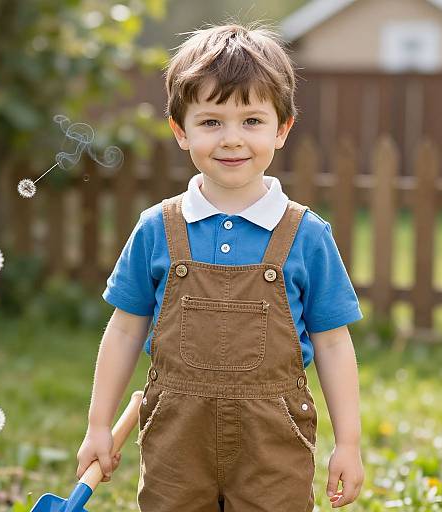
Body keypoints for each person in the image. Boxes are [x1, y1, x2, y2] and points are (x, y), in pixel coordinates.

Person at [76, 22, 365, 511]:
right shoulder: (157, 229)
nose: (232, 139)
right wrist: (98, 425)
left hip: (273, 443)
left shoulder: (306, 235)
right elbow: (125, 330)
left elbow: (334, 343)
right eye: (211, 122)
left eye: (252, 120)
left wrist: (350, 443)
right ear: (180, 131)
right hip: (175, 441)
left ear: (283, 128)